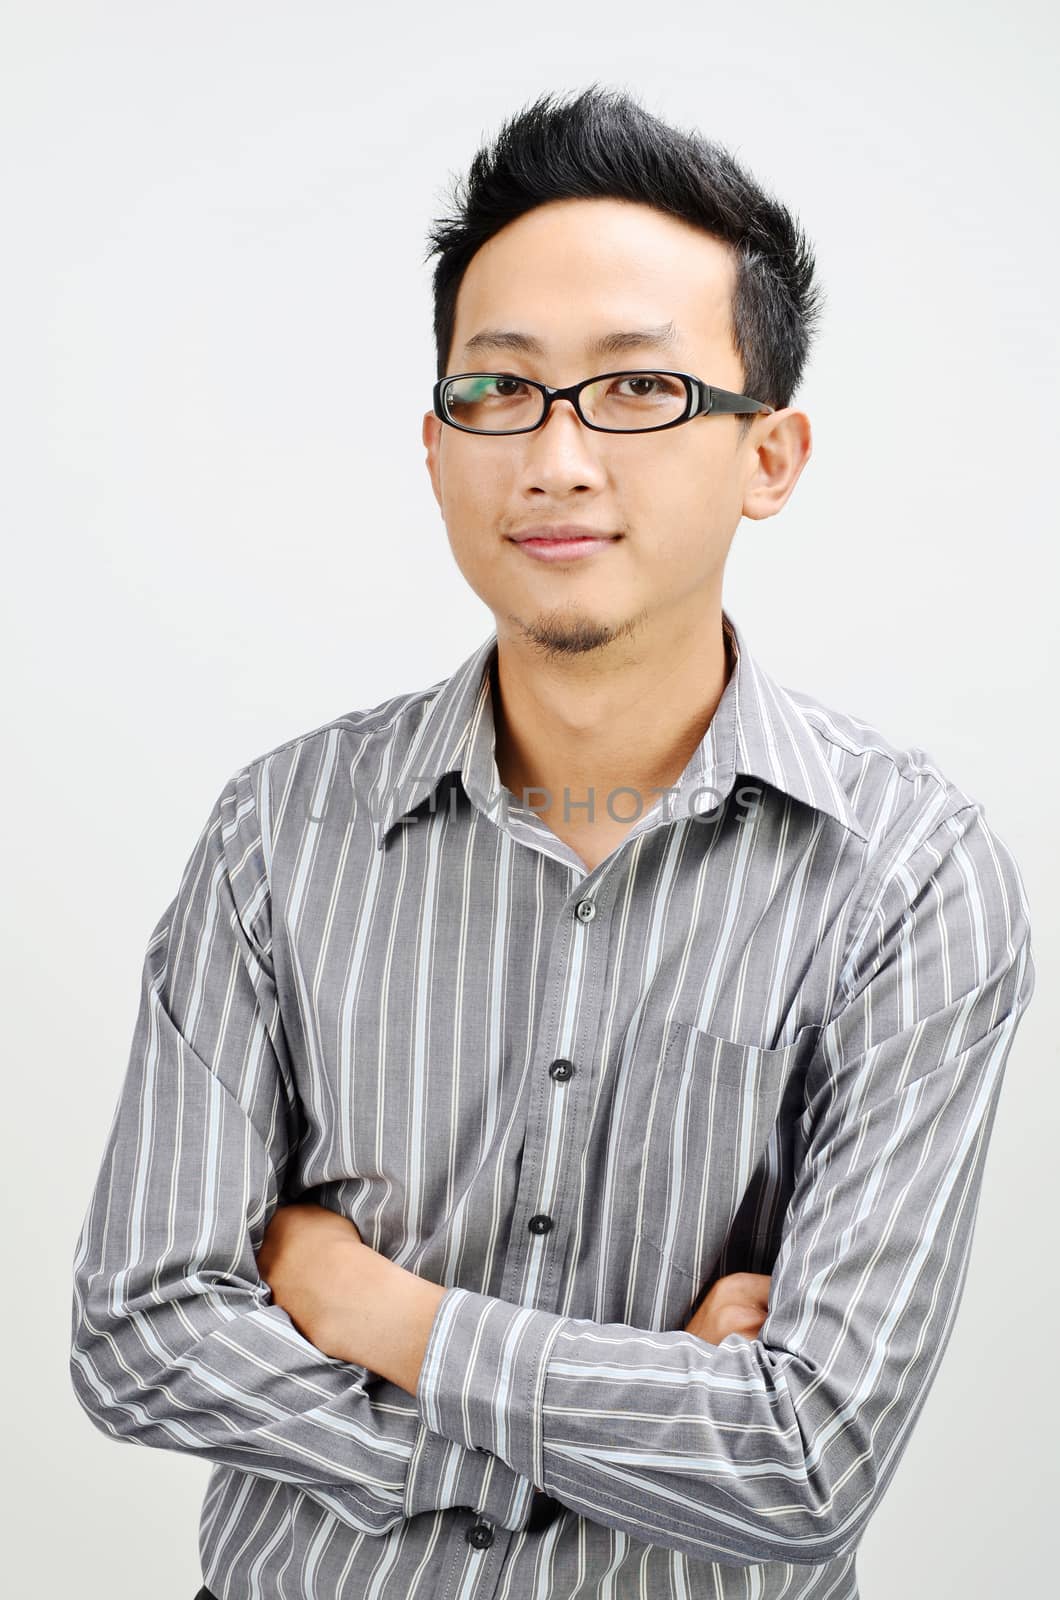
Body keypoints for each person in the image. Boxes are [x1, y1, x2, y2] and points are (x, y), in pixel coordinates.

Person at [69, 84, 1035, 1600]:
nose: (559, 458)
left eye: (639, 390)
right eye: (499, 390)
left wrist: (375, 1311)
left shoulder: (906, 874)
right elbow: (136, 1335)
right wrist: (626, 1411)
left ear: (769, 457)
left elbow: (804, 1468)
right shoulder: (280, 832)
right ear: (438, 444)